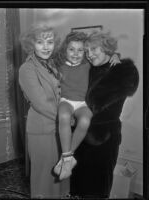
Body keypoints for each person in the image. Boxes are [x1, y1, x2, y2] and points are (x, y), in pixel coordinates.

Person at [70, 31, 139, 199]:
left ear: (107, 49)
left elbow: (94, 103)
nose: (89, 54)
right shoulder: (89, 69)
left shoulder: (123, 71)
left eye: (94, 49)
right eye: (87, 51)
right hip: (80, 138)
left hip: (102, 140)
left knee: (97, 187)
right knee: (78, 184)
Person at [53, 31, 121, 181]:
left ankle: (68, 157)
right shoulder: (59, 66)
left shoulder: (88, 64)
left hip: (82, 103)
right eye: (71, 49)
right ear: (65, 50)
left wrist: (116, 55)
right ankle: (67, 156)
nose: (76, 54)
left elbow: (106, 55)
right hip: (66, 101)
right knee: (63, 116)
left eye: (81, 50)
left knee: (85, 121)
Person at [18, 24, 69, 199]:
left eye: (50, 41)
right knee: (44, 177)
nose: (46, 46)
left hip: (59, 129)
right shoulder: (27, 69)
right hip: (42, 130)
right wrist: (68, 120)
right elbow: (41, 103)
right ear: (32, 45)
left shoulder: (51, 65)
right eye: (40, 42)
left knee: (59, 173)